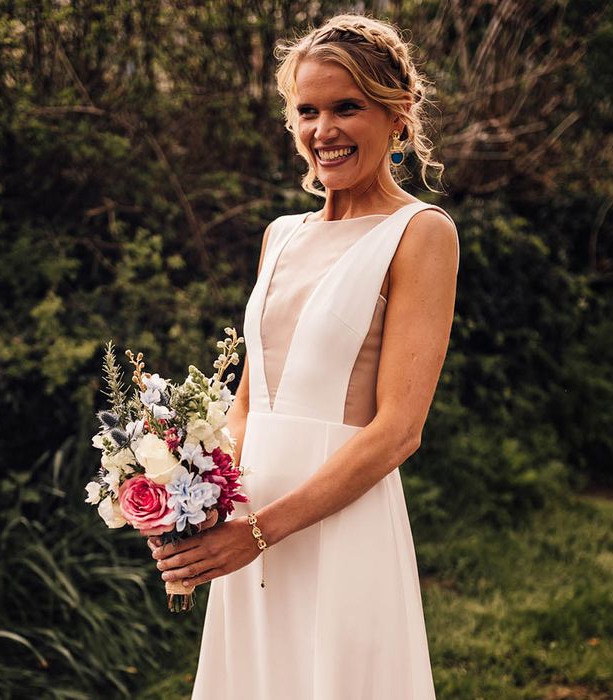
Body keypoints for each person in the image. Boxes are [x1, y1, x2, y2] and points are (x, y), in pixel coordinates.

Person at [144, 13, 459, 699]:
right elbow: (249, 406)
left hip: (337, 528)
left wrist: (259, 532)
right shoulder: (279, 236)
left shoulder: (421, 233)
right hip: (249, 526)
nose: (324, 131)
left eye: (347, 107)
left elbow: (399, 429)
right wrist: (194, 507)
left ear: (397, 113)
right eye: (307, 111)